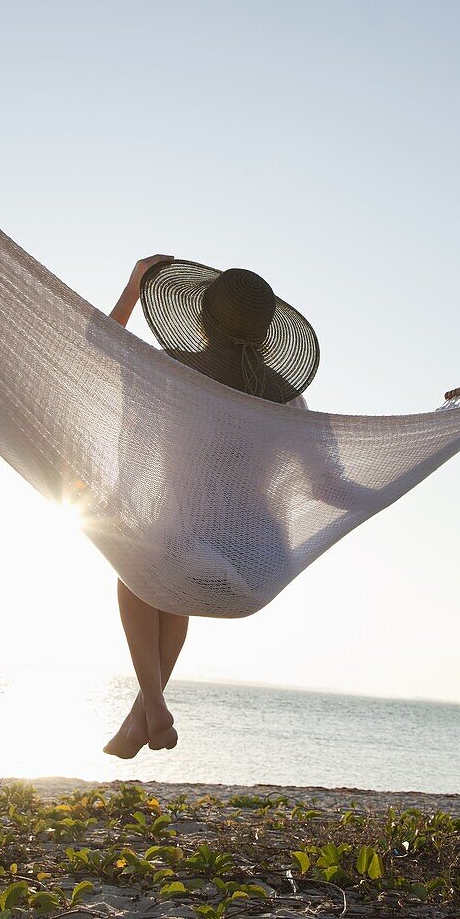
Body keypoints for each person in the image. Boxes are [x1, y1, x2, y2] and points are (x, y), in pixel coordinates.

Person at [103, 255, 319, 759]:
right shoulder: (286, 401)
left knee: (132, 563)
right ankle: (139, 721)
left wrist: (135, 285)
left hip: (185, 543)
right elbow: (326, 486)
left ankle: (154, 706)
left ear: (200, 317)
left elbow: (98, 346)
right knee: (169, 585)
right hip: (256, 560)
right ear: (267, 336)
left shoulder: (172, 373)